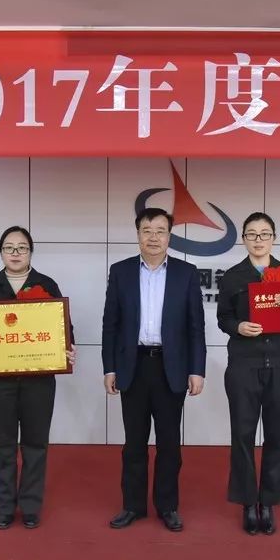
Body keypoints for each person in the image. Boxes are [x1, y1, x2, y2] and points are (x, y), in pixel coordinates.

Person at [0, 226, 76, 530]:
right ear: (1, 252)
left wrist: (67, 349)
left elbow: (65, 329)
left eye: (22, 247)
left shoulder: (46, 285)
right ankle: (5, 507)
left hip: (38, 380)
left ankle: (31, 506)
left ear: (31, 252)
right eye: (9, 247)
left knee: (36, 444)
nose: (16, 253)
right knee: (2, 445)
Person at [102, 207, 206, 532]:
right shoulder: (120, 272)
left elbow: (196, 327)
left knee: (169, 443)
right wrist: (109, 367)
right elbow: (110, 324)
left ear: (169, 236)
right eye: (147, 230)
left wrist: (197, 369)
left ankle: (167, 506)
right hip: (132, 365)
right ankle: (132, 506)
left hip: (170, 367)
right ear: (138, 235)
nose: (153, 237)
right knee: (134, 442)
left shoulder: (186, 274)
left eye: (160, 231)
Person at [217, 212, 280, 536]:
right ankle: (247, 501)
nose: (258, 240)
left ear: (274, 238)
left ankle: (268, 501)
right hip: (244, 364)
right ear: (243, 238)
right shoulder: (233, 277)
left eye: (265, 234)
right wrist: (238, 326)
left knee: (277, 434)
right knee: (242, 434)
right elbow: (223, 318)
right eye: (252, 234)